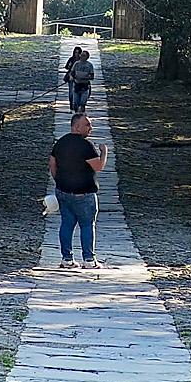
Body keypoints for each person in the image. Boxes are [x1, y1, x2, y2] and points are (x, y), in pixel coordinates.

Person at [48, 113, 106, 269]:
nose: (90, 128)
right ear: (76, 126)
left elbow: (52, 164)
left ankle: (66, 259)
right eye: (87, 125)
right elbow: (99, 167)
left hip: (63, 191)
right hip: (84, 193)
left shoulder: (60, 143)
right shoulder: (86, 146)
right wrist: (104, 152)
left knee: (66, 224)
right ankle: (89, 260)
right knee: (87, 225)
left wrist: (59, 181)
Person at [64, 44, 95, 116]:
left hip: (85, 86)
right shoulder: (76, 63)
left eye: (84, 55)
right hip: (76, 85)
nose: (81, 56)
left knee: (82, 103)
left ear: (87, 57)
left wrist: (84, 78)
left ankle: (82, 116)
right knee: (75, 102)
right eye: (81, 55)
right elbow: (71, 72)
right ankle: (75, 114)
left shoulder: (89, 65)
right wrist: (72, 76)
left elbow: (92, 76)